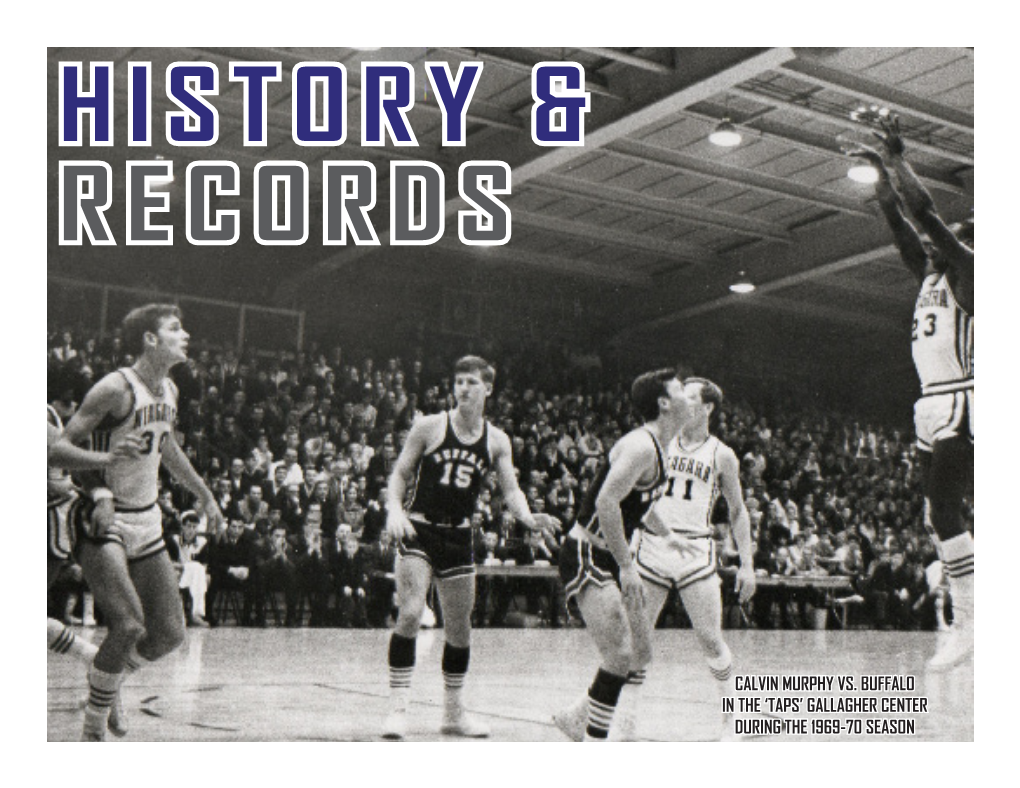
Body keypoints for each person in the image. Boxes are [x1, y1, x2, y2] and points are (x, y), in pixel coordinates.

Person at [53, 304, 224, 740]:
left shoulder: (168, 389)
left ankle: (108, 679)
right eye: (175, 328)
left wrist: (204, 495)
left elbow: (166, 448)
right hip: (101, 516)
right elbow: (58, 451)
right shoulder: (114, 388)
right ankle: (92, 731)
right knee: (128, 625)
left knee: (168, 633)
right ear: (150, 339)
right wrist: (105, 475)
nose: (185, 335)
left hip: (147, 519)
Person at [381, 356, 559, 739]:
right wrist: (394, 509)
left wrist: (528, 518)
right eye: (458, 381)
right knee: (411, 613)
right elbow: (399, 473)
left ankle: (453, 713)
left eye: (471, 382)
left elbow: (511, 489)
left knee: (460, 630)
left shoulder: (497, 439)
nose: (462, 388)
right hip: (419, 529)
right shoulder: (429, 426)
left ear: (488, 389)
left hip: (460, 535)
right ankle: (397, 709)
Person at [849, 117, 973, 669]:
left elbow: (923, 213)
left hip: (969, 395)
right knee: (935, 514)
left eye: (951, 237)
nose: (938, 242)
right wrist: (880, 181)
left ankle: (972, 618)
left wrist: (898, 159)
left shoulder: (973, 270)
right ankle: (968, 611)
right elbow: (903, 224)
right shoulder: (930, 275)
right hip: (932, 400)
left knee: (945, 508)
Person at [552, 368, 689, 741]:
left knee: (641, 652)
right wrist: (628, 566)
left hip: (612, 554)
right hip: (587, 551)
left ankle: (577, 715)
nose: (688, 395)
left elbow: (638, 505)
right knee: (619, 654)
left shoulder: (662, 447)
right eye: (681, 389)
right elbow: (606, 501)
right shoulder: (641, 445)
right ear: (664, 402)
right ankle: (597, 743)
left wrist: (669, 534)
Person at [628, 377, 756, 739]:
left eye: (689, 397)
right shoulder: (657, 441)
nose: (680, 401)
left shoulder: (722, 454)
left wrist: (747, 563)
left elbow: (737, 510)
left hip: (696, 550)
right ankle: (626, 719)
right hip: (652, 545)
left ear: (708, 408)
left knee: (710, 639)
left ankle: (735, 713)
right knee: (637, 638)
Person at [47, 405, 144, 665]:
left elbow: (68, 466)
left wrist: (101, 490)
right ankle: (91, 657)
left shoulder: (44, 420)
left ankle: (94, 659)